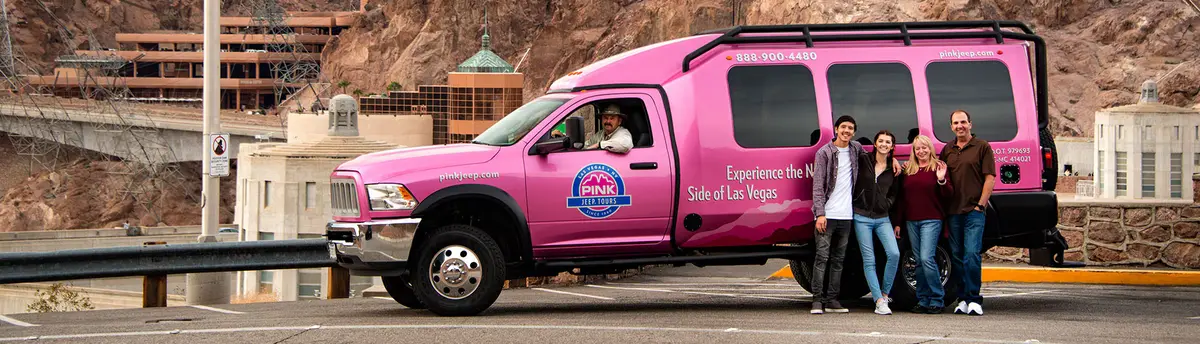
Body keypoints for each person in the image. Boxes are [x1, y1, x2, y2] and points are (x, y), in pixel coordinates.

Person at [939, 109, 995, 316]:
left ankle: (974, 299)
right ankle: (962, 299)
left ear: (970, 124)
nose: (960, 126)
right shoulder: (948, 149)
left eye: (963, 122)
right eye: (956, 123)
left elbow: (990, 178)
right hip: (953, 212)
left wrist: (980, 205)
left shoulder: (982, 147)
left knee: (972, 254)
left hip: (974, 211)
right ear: (951, 127)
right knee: (957, 256)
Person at [893, 134, 953, 314]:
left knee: (927, 258)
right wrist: (898, 223)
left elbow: (948, 195)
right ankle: (923, 300)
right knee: (918, 261)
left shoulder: (938, 167)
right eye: (917, 148)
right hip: (911, 221)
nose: (921, 151)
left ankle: (937, 299)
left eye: (924, 147)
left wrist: (942, 180)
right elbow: (902, 200)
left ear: (930, 148)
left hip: (932, 220)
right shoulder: (908, 169)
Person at [809, 115, 862, 314]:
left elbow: (874, 161)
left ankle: (832, 299)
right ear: (836, 129)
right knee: (822, 258)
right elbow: (818, 185)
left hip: (846, 216)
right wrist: (820, 213)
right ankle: (816, 301)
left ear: (854, 132)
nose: (846, 131)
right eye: (843, 127)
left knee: (839, 260)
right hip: (827, 215)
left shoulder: (856, 149)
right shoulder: (824, 152)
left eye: (850, 128)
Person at [851, 130, 901, 315]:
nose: (884, 144)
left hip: (882, 218)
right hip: (861, 217)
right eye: (881, 141)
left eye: (888, 142)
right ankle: (878, 300)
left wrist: (886, 204)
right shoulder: (864, 160)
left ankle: (885, 294)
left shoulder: (894, 168)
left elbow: (895, 193)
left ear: (892, 146)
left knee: (894, 254)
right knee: (869, 259)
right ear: (875, 143)